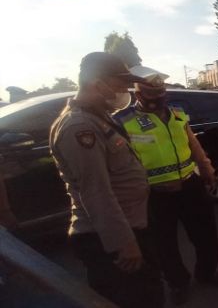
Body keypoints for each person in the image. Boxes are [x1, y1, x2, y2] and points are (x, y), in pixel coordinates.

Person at [49, 52, 164, 308]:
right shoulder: (80, 127)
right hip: (109, 241)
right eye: (120, 83)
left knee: (150, 294)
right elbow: (96, 192)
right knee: (135, 299)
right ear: (98, 84)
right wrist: (123, 243)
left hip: (130, 225)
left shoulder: (98, 117)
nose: (126, 90)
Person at [114, 67, 218, 305]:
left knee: (206, 235)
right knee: (164, 245)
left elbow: (193, 143)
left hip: (189, 185)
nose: (157, 101)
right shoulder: (124, 122)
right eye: (151, 96)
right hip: (154, 193)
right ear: (138, 93)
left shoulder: (177, 112)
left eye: (161, 96)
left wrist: (206, 168)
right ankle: (178, 282)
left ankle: (206, 272)